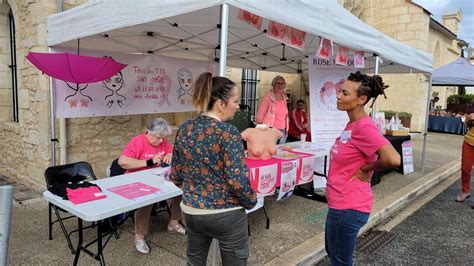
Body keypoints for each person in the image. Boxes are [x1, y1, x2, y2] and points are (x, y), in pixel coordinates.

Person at [170, 72, 257, 265]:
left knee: (194, 261)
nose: (237, 106)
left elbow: (175, 174)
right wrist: (251, 201)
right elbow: (238, 181)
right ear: (220, 104)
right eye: (235, 101)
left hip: (191, 212)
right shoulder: (228, 133)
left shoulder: (185, 128)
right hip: (226, 215)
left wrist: (195, 193)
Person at [325, 71, 401, 265]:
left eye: (345, 93)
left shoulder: (364, 127)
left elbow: (393, 159)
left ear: (362, 99)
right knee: (334, 254)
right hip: (340, 204)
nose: (339, 96)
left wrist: (367, 168)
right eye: (340, 91)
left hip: (348, 207)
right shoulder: (353, 124)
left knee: (340, 261)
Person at [118, 118, 185, 254]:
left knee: (180, 189)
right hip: (138, 180)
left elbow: (171, 151)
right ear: (150, 132)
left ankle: (174, 223)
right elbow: (122, 162)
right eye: (159, 138)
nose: (161, 141)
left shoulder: (162, 141)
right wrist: (148, 162)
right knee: (146, 198)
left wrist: (170, 154)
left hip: (158, 177)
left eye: (164, 138)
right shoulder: (137, 142)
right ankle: (139, 236)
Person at [256, 75, 289, 144]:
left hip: (283, 129)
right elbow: (259, 116)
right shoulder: (268, 98)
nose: (280, 85)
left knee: (280, 152)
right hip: (271, 130)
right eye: (278, 83)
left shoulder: (285, 98)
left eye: (282, 83)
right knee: (271, 151)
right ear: (273, 85)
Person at [455, 112, 473, 203]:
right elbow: (466, 125)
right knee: (465, 168)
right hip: (469, 142)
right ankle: (465, 191)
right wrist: (469, 118)